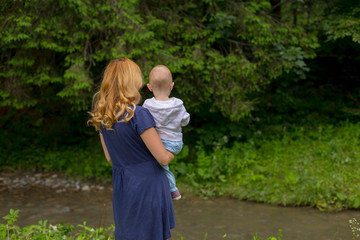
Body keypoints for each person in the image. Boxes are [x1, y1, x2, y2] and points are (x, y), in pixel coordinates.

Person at [88, 58, 176, 240]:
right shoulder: (138, 114)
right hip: (147, 185)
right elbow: (163, 158)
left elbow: (110, 158)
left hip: (124, 185)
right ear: (131, 81)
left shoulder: (104, 115)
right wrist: (174, 148)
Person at [143, 65, 190, 200]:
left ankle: (172, 190)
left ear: (149, 87)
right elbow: (185, 121)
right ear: (171, 86)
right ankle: (169, 190)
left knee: (161, 167)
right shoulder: (178, 104)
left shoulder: (147, 104)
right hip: (176, 143)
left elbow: (144, 122)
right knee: (161, 166)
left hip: (158, 144)